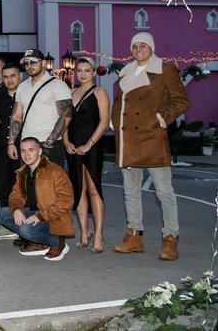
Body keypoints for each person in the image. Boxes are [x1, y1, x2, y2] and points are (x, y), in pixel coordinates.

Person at [112, 33, 189, 261]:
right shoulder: (125, 72)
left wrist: (161, 119)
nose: (138, 49)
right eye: (134, 46)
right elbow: (119, 103)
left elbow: (182, 100)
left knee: (165, 192)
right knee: (130, 192)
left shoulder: (165, 70)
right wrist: (116, 123)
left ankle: (170, 238)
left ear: (151, 47)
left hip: (153, 139)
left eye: (143, 45)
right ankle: (134, 236)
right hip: (128, 142)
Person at [0, 137, 75, 261]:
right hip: (34, 214)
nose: (26, 154)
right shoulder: (23, 173)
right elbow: (15, 196)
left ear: (40, 151)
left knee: (25, 230)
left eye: (31, 150)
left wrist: (40, 217)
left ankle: (57, 241)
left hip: (52, 219)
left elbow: (66, 200)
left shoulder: (55, 171)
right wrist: (16, 209)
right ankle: (40, 242)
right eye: (23, 151)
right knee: (2, 213)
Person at [65, 57, 109, 254]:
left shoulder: (99, 92)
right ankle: (84, 233)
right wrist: (66, 141)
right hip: (73, 147)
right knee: (79, 189)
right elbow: (64, 121)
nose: (82, 73)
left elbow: (104, 121)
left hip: (92, 147)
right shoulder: (71, 93)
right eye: (79, 70)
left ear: (93, 72)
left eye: (86, 70)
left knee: (93, 189)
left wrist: (89, 144)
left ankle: (98, 235)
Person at [8, 49, 73, 167]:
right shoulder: (22, 87)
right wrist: (11, 142)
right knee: (28, 184)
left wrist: (49, 142)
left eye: (33, 62)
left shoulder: (57, 85)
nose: (29, 66)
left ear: (43, 63)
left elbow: (66, 115)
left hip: (49, 144)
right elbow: (16, 117)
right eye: (25, 63)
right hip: (26, 145)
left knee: (51, 184)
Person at [0, 63, 24, 203]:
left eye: (13, 76)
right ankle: (6, 222)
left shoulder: (28, 96)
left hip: (24, 147)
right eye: (5, 77)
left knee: (24, 186)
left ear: (20, 76)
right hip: (2, 148)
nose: (9, 80)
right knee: (4, 187)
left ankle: (25, 221)